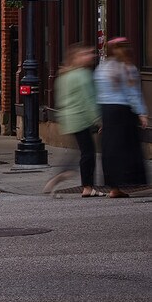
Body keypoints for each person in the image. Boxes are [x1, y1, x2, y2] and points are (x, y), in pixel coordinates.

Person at [95, 38, 149, 198]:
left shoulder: (102, 68)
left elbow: (98, 92)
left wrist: (101, 118)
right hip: (123, 111)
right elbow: (132, 93)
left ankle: (114, 187)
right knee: (126, 148)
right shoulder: (127, 68)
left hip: (107, 111)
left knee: (111, 149)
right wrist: (142, 113)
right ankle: (125, 183)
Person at [47, 45, 103, 197]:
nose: (91, 56)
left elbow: (60, 99)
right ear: (77, 58)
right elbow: (89, 100)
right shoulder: (82, 75)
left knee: (80, 151)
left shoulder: (64, 75)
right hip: (81, 118)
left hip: (69, 118)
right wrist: (98, 120)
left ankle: (60, 176)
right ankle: (87, 186)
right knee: (88, 153)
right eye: (86, 54)